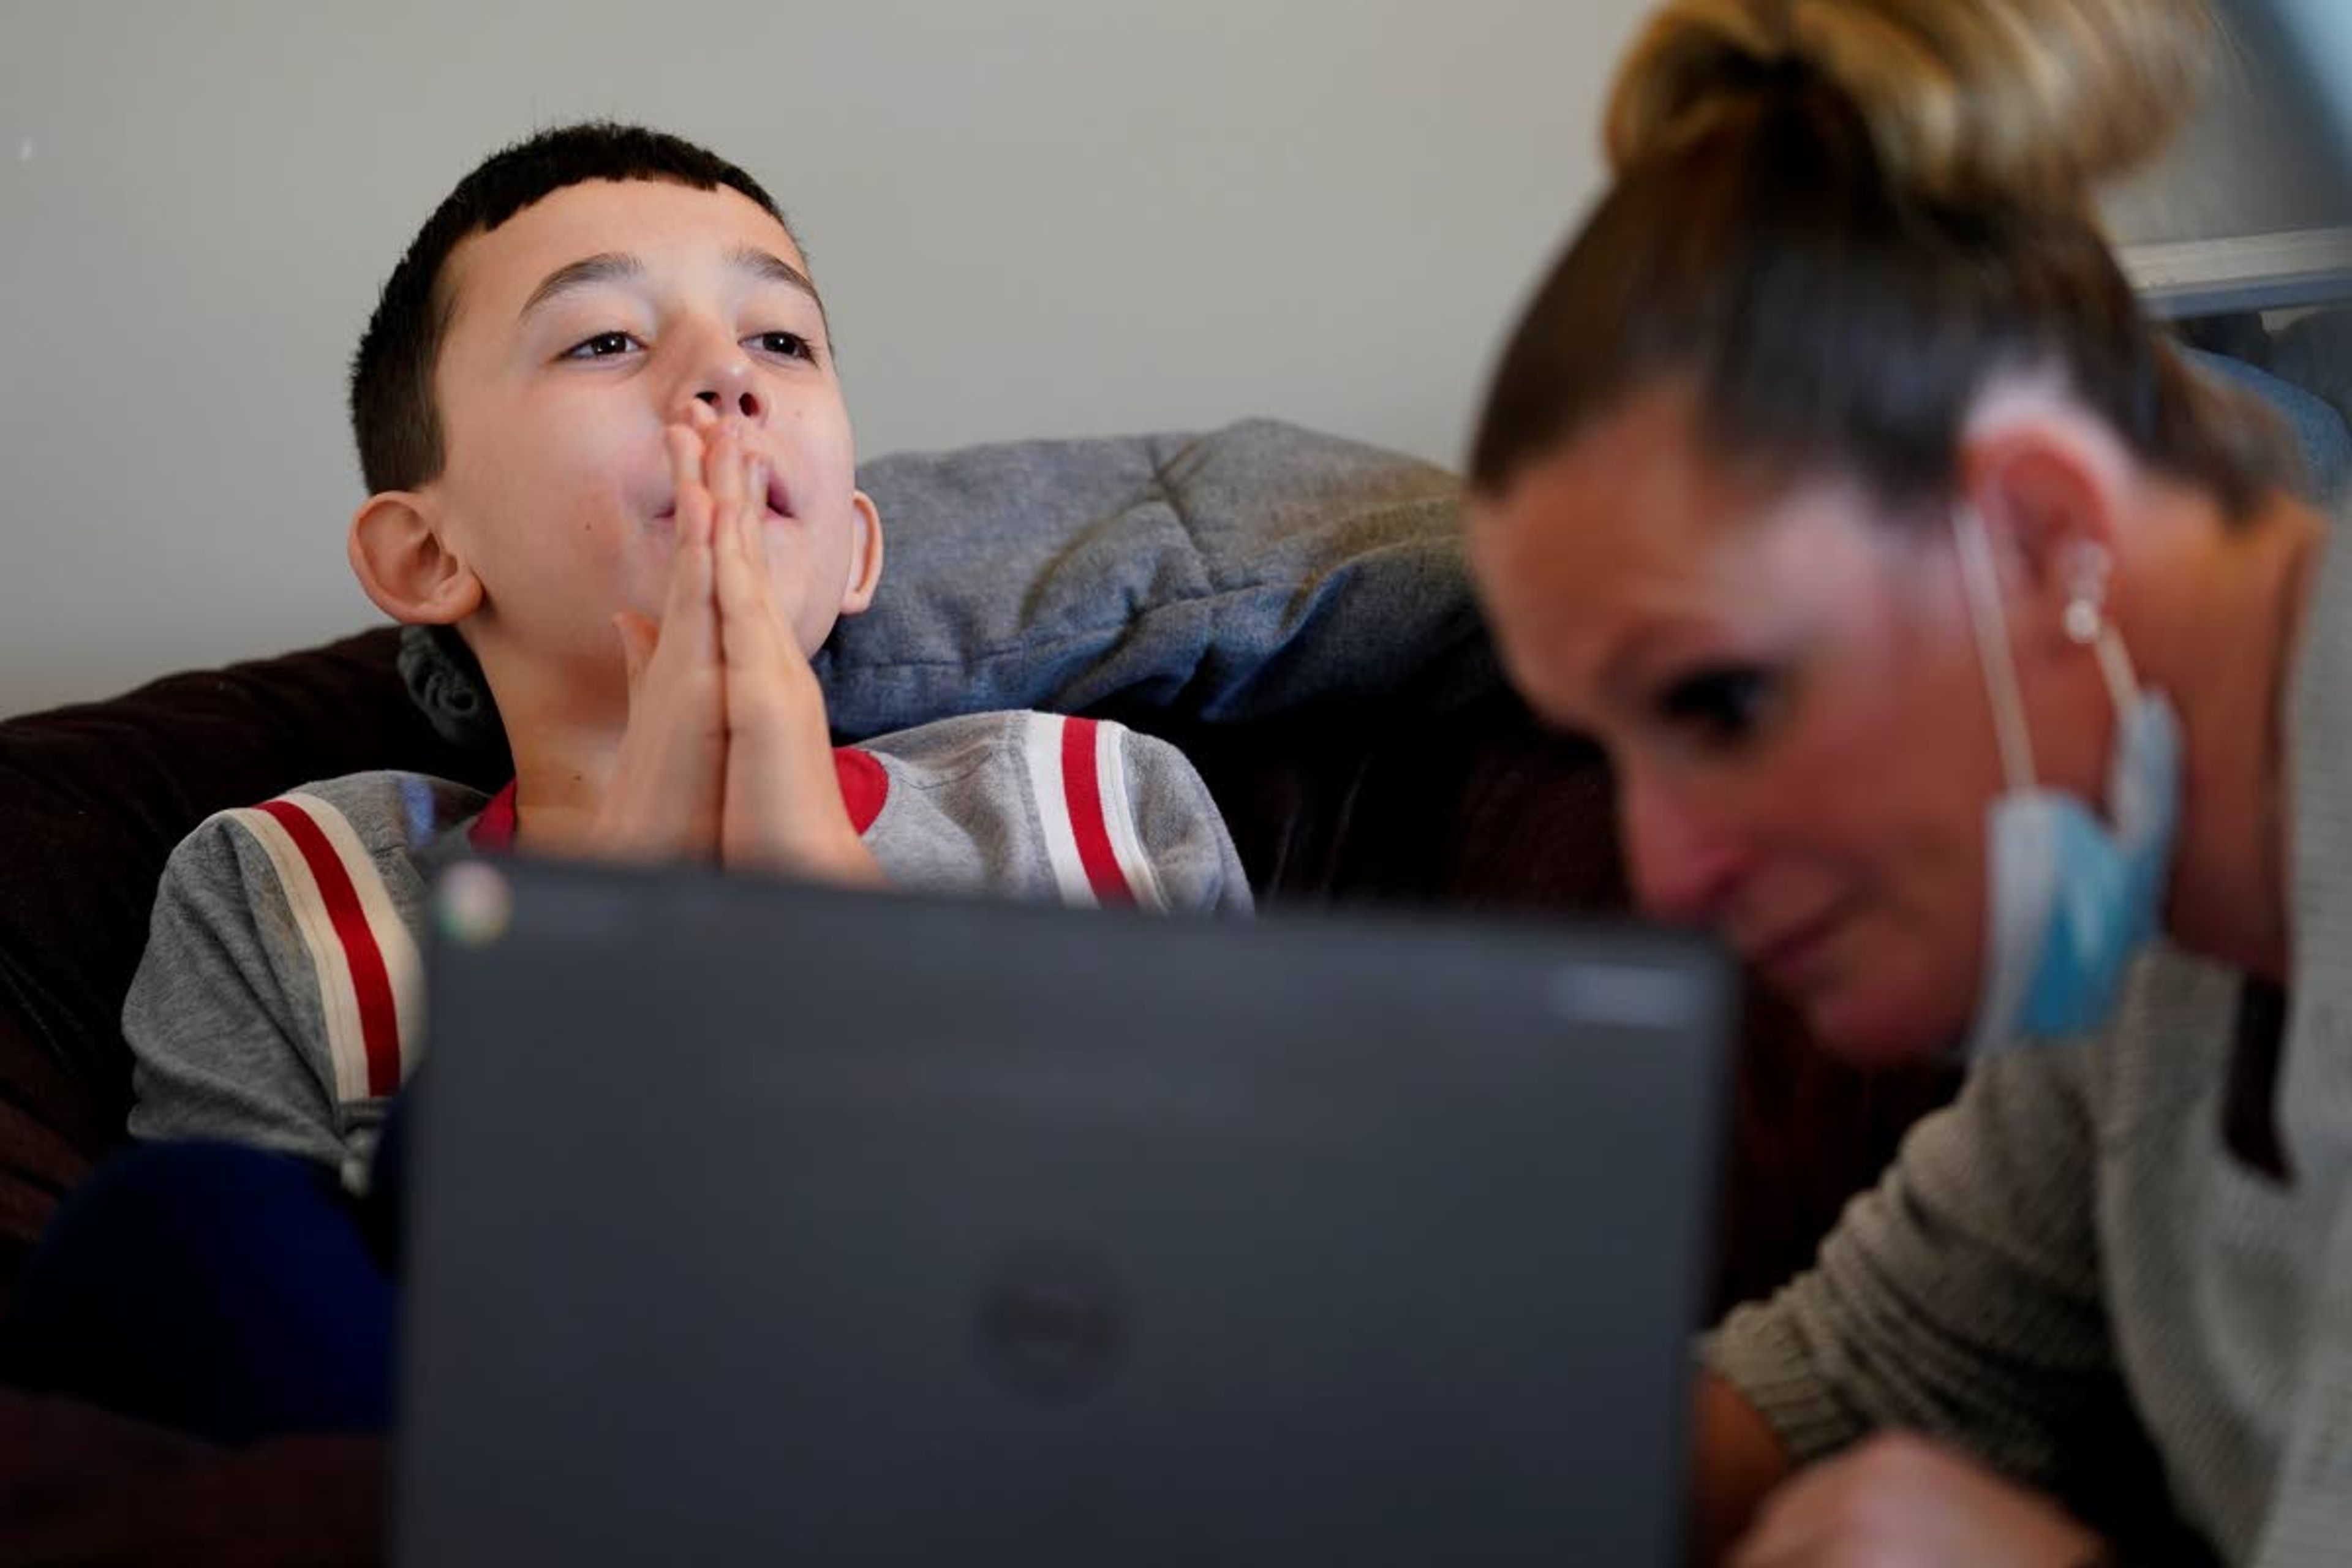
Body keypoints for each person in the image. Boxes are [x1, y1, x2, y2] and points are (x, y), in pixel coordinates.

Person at [0, 123, 1249, 1442]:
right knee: (181, 1227)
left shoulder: (1090, 803)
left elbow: (1222, 1261)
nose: (724, 380)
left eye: (781, 340)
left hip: (994, 1427)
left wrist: (815, 890)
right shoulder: (289, 889)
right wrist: (607, 901)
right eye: (604, 340)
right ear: (426, 556)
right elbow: (252, 1347)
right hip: (526, 1436)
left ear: (858, 548)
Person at [1463, 1, 2345, 1563]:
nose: (1668, 874)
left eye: (1723, 700)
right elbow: (1866, 1377)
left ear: (2040, 536)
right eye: (1614, 749)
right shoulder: (2145, 928)